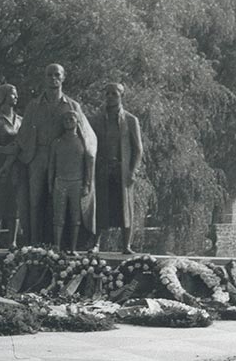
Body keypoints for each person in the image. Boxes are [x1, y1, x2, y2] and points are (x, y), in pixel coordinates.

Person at [17, 63, 97, 244]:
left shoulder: (73, 106)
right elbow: (23, 134)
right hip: (38, 156)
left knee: (63, 203)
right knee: (35, 201)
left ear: (63, 77)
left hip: (63, 160)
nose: (53, 78)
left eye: (57, 75)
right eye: (49, 75)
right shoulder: (33, 106)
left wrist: (84, 163)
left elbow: (86, 136)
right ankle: (34, 244)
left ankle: (63, 245)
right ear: (44, 78)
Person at [89, 83, 143, 254]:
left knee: (125, 208)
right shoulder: (96, 119)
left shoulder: (130, 120)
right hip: (102, 169)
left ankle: (126, 246)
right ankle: (95, 244)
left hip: (122, 169)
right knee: (100, 206)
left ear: (122, 96)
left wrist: (133, 171)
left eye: (114, 94)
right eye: (107, 94)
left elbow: (138, 149)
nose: (110, 97)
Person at [0, 84, 26, 249]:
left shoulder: (21, 121)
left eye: (16, 95)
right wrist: (4, 150)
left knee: (14, 203)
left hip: (16, 166)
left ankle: (12, 241)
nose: (16, 97)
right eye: (13, 94)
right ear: (3, 97)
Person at [48, 111, 93, 252]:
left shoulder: (83, 142)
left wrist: (87, 184)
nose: (68, 121)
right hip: (60, 183)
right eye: (65, 119)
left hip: (77, 183)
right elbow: (51, 165)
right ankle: (57, 247)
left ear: (77, 121)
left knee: (75, 218)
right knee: (58, 217)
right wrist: (50, 183)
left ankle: (73, 249)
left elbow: (88, 165)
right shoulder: (57, 142)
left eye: (71, 119)